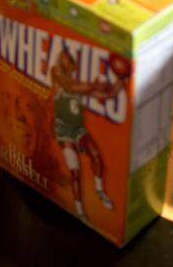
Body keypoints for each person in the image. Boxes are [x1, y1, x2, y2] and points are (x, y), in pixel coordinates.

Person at [50, 49, 121, 221]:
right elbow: (70, 87)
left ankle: (99, 191)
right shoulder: (57, 77)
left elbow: (108, 94)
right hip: (64, 130)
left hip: (78, 128)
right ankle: (80, 211)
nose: (63, 62)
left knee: (96, 156)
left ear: (73, 65)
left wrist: (122, 79)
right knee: (75, 172)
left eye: (66, 59)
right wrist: (94, 85)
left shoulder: (80, 85)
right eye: (62, 59)